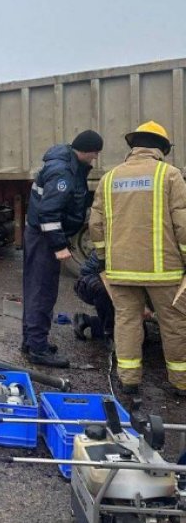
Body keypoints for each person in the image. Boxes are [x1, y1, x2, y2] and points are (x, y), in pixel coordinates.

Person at [89, 121, 186, 396]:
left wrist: (104, 257)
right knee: (175, 324)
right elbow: (183, 223)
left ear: (134, 146)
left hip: (120, 270)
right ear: (161, 148)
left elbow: (96, 224)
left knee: (127, 322)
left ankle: (129, 379)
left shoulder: (109, 178)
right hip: (164, 272)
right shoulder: (170, 175)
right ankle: (180, 383)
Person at [22, 130, 104, 368]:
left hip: (40, 236)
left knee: (36, 290)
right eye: (95, 153)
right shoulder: (63, 172)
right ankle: (37, 349)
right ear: (87, 150)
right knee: (42, 292)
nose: (95, 158)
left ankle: (31, 342)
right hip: (44, 238)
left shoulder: (67, 165)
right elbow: (48, 213)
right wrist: (59, 246)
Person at [72, 250, 114, 345]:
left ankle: (88, 321)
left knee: (139, 335)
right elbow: (105, 279)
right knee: (102, 289)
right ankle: (109, 333)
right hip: (92, 281)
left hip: (116, 284)